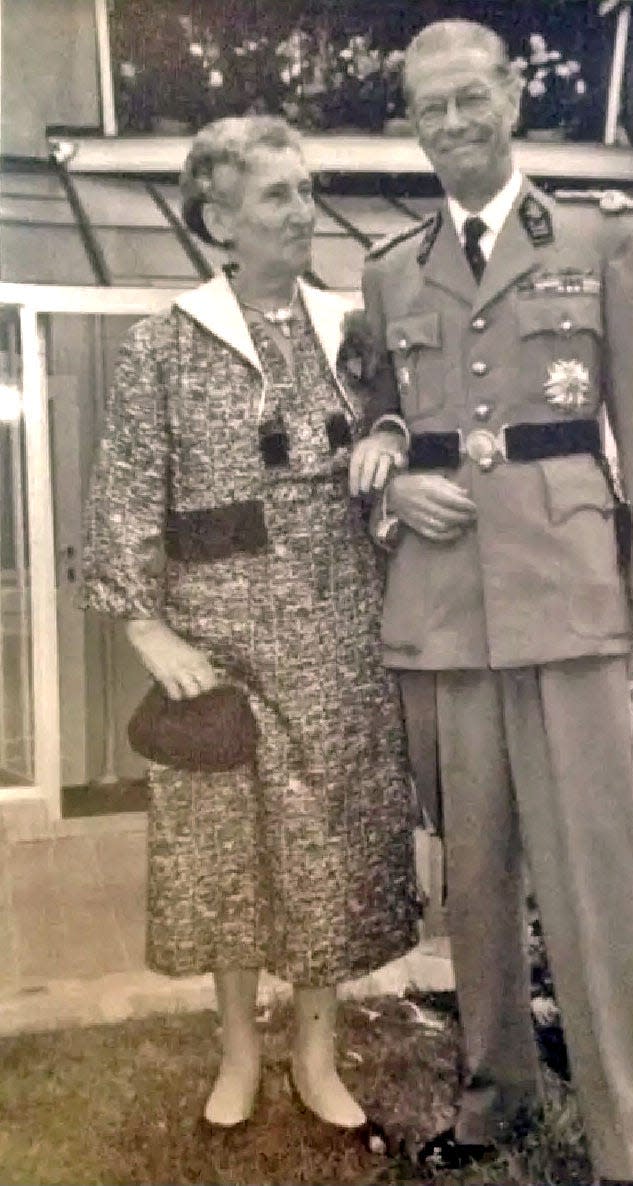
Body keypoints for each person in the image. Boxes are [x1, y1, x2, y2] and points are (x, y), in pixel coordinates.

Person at [350, 20, 633, 1186]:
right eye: (427, 106)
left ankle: (631, 1143)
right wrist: (395, 475)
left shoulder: (602, 239)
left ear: (509, 99)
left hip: (568, 600)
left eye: (468, 98)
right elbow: (372, 418)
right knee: (478, 876)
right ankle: (494, 1095)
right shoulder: (390, 268)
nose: (450, 122)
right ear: (411, 120)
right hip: (444, 613)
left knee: (593, 876)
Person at [82, 115, 418, 1139]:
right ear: (218, 218)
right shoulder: (161, 346)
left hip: (334, 644)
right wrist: (150, 634)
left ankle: (316, 1054)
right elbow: (125, 503)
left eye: (303, 187)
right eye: (275, 194)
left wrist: (391, 448)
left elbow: (404, 427)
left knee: (324, 848)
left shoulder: (351, 332)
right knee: (225, 856)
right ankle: (237, 1052)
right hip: (215, 651)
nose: (300, 208)